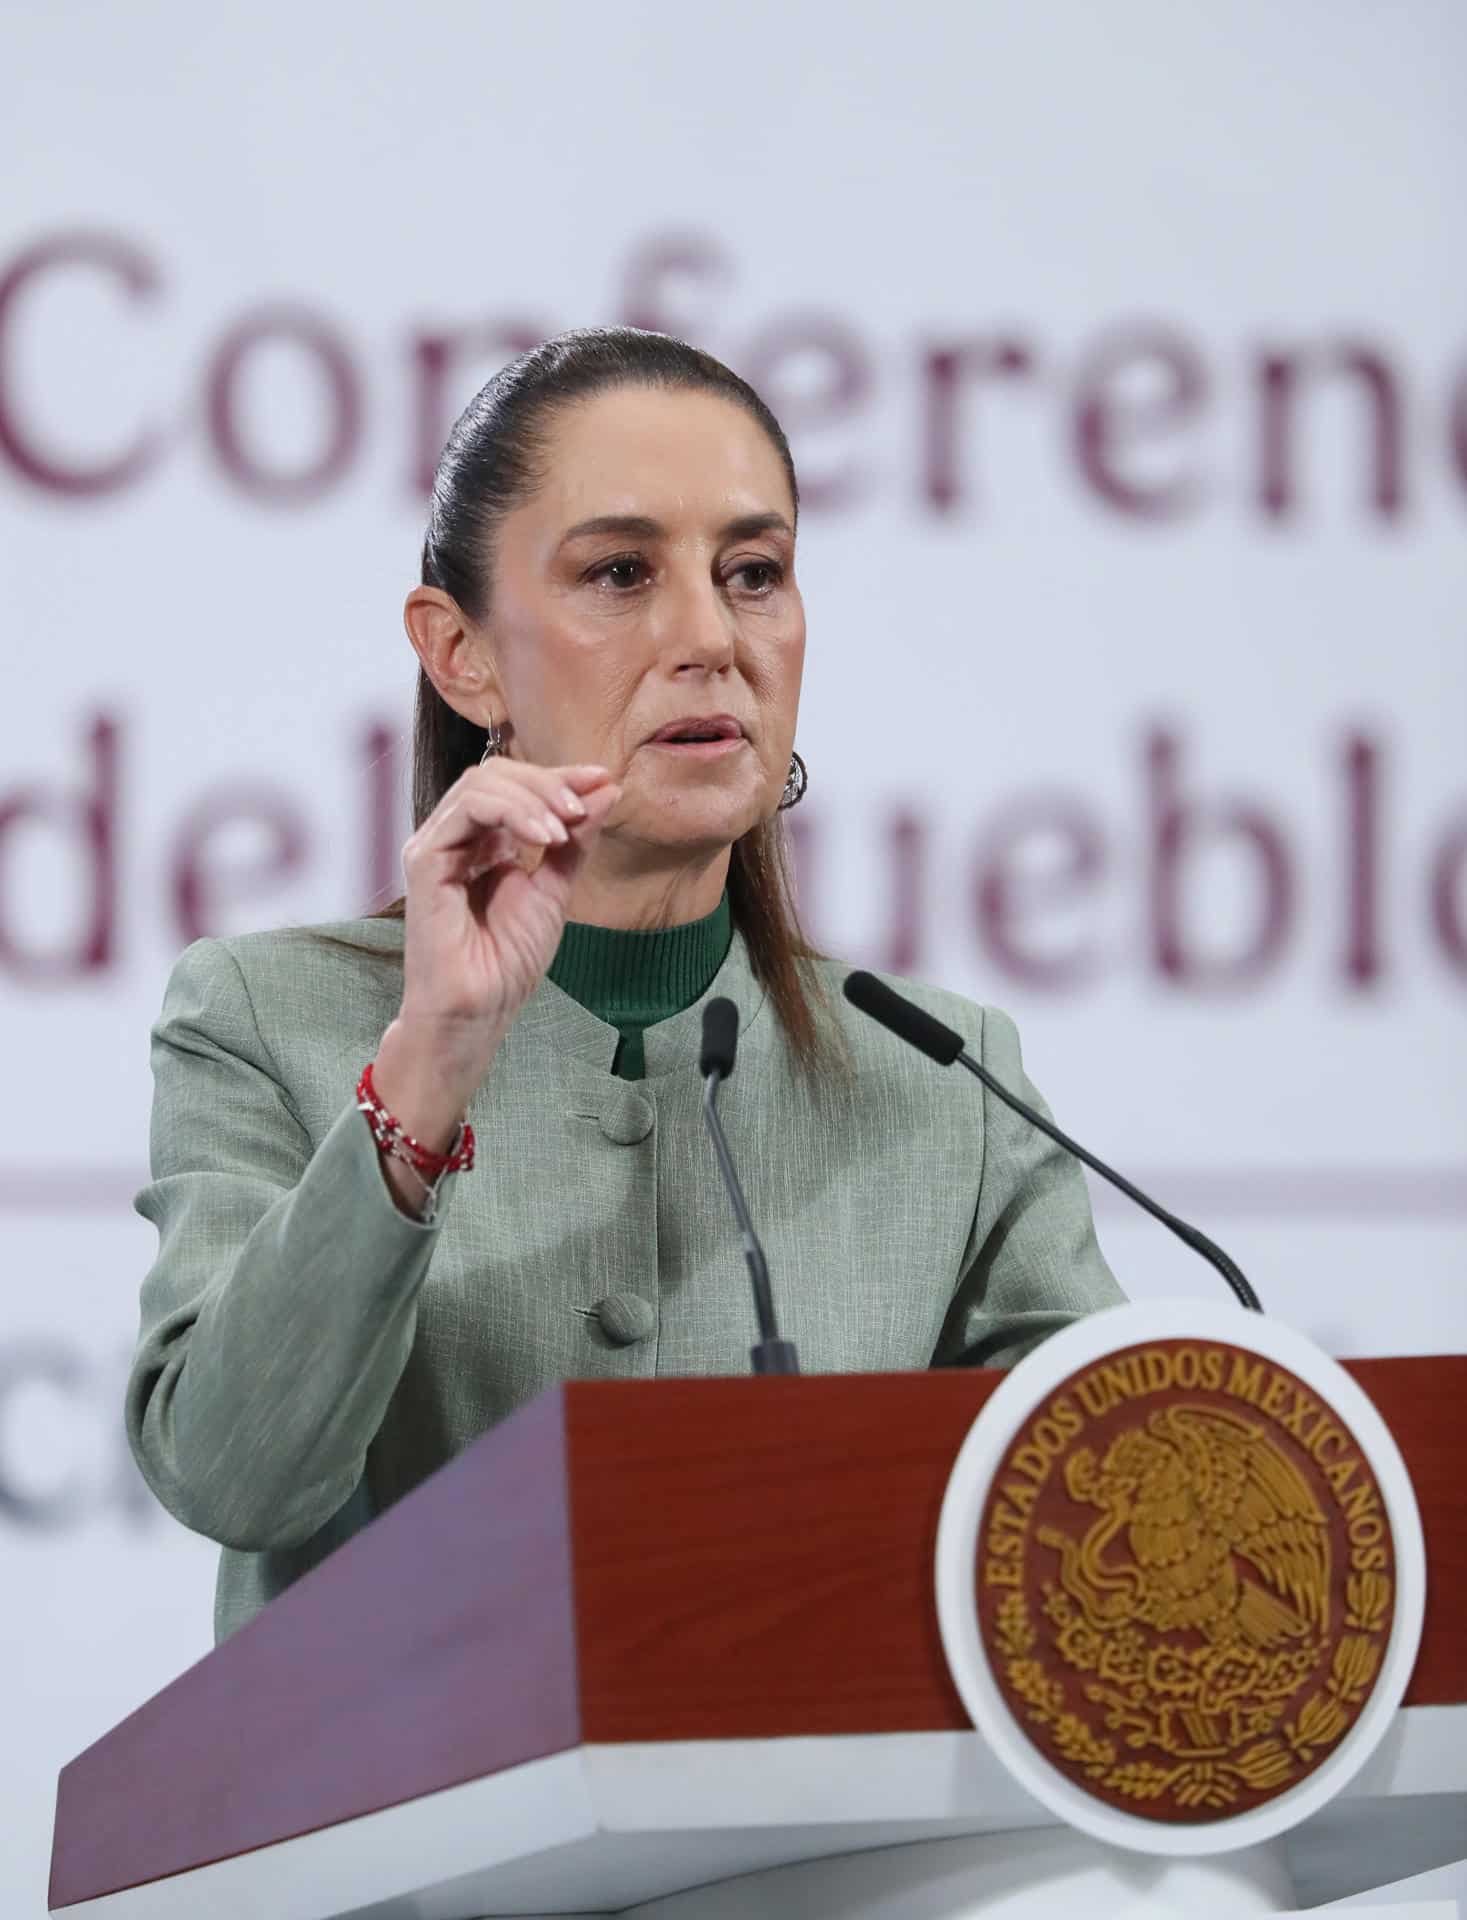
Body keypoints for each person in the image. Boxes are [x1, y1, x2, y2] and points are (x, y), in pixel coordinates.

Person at [126, 327, 1124, 1645]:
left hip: (813, 1850)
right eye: (619, 572)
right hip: (417, 1846)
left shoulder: (945, 1076)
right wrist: (430, 1061)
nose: (711, 635)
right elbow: (232, 1477)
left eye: (754, 572)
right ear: (461, 652)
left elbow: (1114, 1521)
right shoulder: (265, 1020)